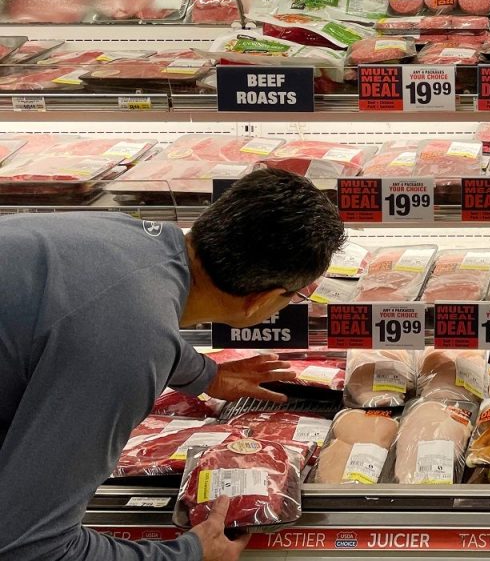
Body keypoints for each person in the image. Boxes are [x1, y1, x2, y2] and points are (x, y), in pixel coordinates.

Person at [0, 168, 346, 561]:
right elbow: (29, 546)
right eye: (297, 295)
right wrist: (188, 553)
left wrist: (204, 373)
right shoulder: (127, 342)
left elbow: (95, 309)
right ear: (261, 300)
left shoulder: (127, 234)